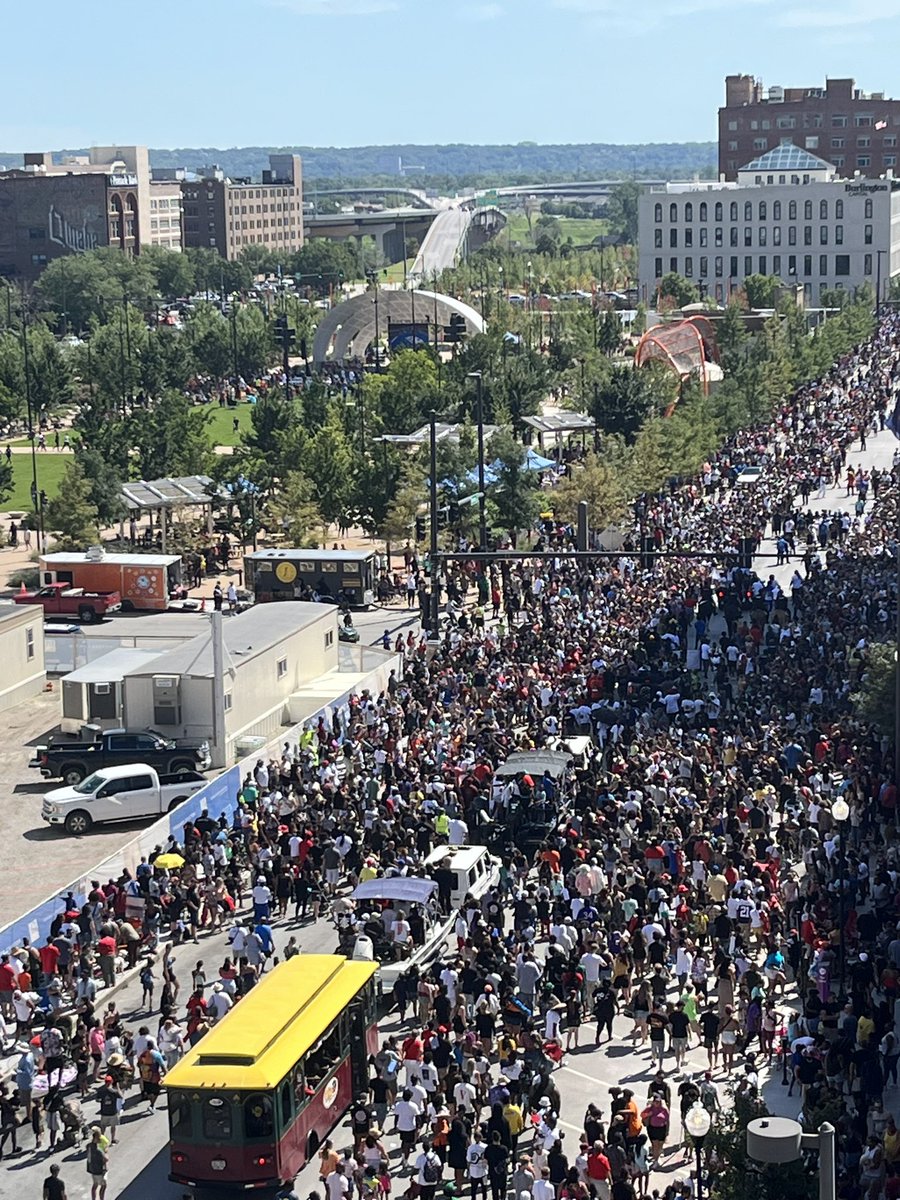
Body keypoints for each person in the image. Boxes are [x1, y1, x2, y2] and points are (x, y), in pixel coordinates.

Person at [86, 1127, 109, 1200]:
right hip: (100, 1170)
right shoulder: (98, 1150)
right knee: (103, 1186)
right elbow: (106, 1159)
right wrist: (106, 1152)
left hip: (92, 1169)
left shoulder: (89, 1146)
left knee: (95, 1185)